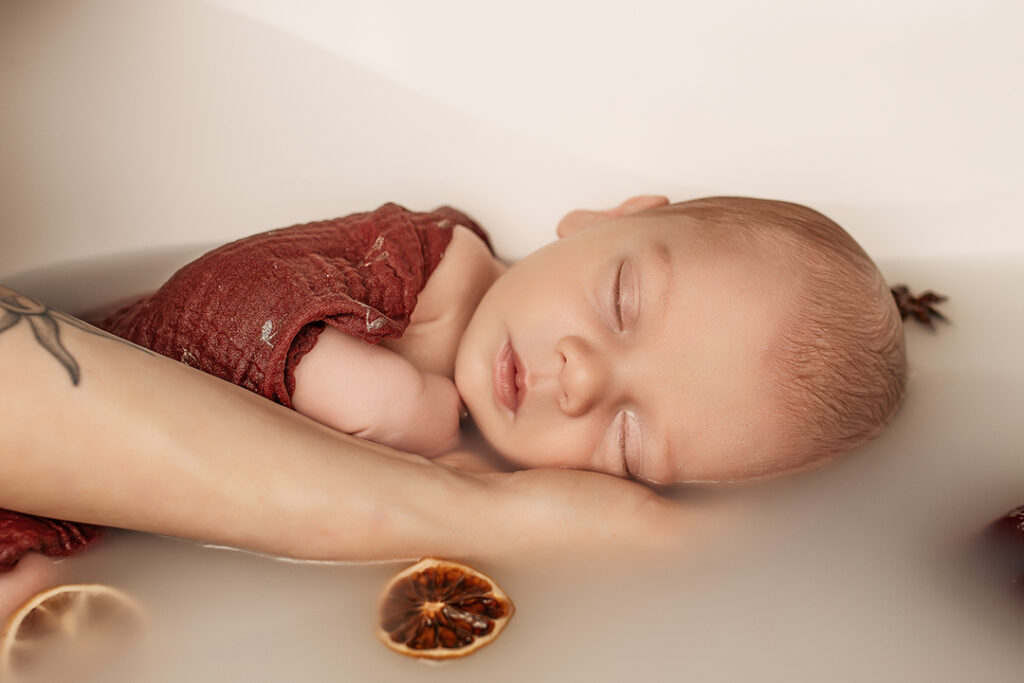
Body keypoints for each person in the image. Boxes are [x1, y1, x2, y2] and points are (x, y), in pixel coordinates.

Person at [0, 194, 905, 606]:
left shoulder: (473, 433)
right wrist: (357, 383)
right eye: (621, 303)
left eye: (628, 439)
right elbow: (209, 299)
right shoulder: (419, 256)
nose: (582, 376)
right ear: (605, 216)